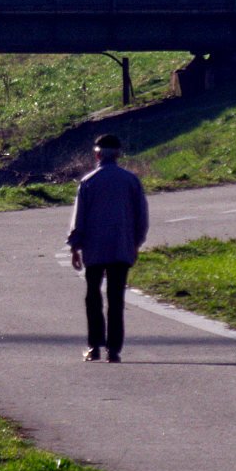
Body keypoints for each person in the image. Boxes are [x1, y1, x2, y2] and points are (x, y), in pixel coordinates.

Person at [66, 131, 150, 363]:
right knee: (116, 299)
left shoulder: (89, 182)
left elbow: (79, 218)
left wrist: (75, 247)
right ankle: (114, 349)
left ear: (98, 155)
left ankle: (94, 346)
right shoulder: (131, 181)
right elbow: (141, 217)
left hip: (94, 249)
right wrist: (136, 243)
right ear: (118, 154)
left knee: (93, 297)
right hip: (121, 248)